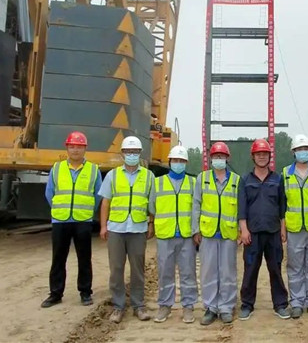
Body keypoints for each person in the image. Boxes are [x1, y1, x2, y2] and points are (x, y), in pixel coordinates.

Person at [41, 131, 102, 308]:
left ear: (85, 149)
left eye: (79, 147)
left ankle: (85, 292)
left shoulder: (93, 170)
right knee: (58, 258)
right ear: (67, 148)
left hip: (82, 220)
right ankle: (55, 293)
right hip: (61, 220)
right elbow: (49, 193)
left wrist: (88, 211)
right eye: (72, 146)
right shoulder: (57, 168)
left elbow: (97, 195)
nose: (75, 150)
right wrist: (60, 209)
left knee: (84, 258)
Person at [99, 136, 155, 323]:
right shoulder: (113, 175)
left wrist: (151, 223)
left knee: (138, 269)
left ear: (140, 154)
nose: (132, 155)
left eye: (135, 152)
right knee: (116, 268)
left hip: (138, 228)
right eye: (128, 152)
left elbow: (152, 203)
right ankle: (118, 306)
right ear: (122, 154)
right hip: (116, 228)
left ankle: (139, 305)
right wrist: (103, 226)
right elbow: (105, 202)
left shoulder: (148, 176)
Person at [238, 139, 291, 321]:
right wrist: (243, 230)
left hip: (273, 232)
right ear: (253, 156)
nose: (262, 157)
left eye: (265, 154)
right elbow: (241, 207)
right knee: (250, 269)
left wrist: (283, 229)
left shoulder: (277, 179)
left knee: (275, 269)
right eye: (258, 154)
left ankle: (280, 304)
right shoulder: (245, 180)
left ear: (269, 156)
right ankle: (246, 304)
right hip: (252, 234)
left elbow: (282, 207)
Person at [191, 142, 240, 326]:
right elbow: (196, 204)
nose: (219, 159)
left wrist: (240, 230)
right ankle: (211, 307)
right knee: (208, 272)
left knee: (228, 272)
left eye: (222, 156)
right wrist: (195, 229)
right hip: (208, 232)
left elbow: (240, 208)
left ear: (228, 158)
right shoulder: (202, 178)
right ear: (211, 158)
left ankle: (226, 307)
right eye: (216, 156)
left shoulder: (236, 180)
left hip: (228, 233)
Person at [153, 145, 198, 324]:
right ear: (170, 162)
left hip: (186, 235)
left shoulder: (193, 183)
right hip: (166, 233)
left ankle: (188, 306)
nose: (178, 163)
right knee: (165, 272)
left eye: (181, 161)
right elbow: (152, 206)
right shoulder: (158, 182)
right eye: (175, 160)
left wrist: (196, 231)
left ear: (186, 163)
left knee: (188, 272)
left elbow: (196, 209)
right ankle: (165, 305)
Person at [282, 134, 308, 318]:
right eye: (299, 149)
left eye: (306, 149)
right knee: (295, 267)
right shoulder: (285, 174)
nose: (303, 152)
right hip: (295, 228)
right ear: (293, 152)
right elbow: (282, 204)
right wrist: (282, 228)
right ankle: (297, 302)